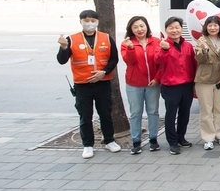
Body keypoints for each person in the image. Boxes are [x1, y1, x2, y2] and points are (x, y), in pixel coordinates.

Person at [57, 9, 121, 159]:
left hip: (102, 82)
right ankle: (87, 145)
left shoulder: (106, 38)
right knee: (85, 116)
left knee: (105, 113)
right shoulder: (71, 39)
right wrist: (63, 47)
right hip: (82, 84)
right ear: (81, 22)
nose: (90, 23)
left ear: (97, 22)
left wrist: (104, 72)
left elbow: (114, 58)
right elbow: (62, 60)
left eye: (93, 20)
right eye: (86, 20)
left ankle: (109, 140)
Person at [120, 15, 161, 155]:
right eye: (135, 27)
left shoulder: (156, 41)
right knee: (136, 113)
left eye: (142, 26)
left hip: (153, 84)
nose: (139, 29)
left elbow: (161, 63)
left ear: (147, 26)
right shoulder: (127, 43)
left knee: (153, 112)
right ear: (131, 29)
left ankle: (153, 139)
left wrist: (157, 78)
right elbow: (129, 61)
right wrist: (130, 48)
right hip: (134, 84)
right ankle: (136, 141)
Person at [155, 17, 196, 155]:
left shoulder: (188, 46)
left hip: (187, 85)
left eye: (177, 27)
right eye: (171, 28)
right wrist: (164, 50)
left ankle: (181, 137)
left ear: (181, 29)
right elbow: (158, 60)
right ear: (166, 30)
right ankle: (172, 142)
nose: (174, 30)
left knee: (185, 113)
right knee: (171, 115)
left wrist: (194, 83)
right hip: (170, 86)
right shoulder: (163, 45)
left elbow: (193, 65)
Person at [194, 15, 220, 150]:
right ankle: (208, 137)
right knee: (206, 111)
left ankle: (219, 135)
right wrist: (204, 50)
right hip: (204, 80)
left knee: (218, 109)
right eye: (210, 25)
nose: (213, 28)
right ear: (206, 27)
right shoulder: (202, 40)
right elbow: (200, 59)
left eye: (215, 25)